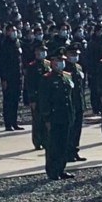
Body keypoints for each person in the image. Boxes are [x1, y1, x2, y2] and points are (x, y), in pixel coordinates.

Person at [38, 47, 76, 180]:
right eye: (58, 60)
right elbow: (44, 100)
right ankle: (52, 170)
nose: (61, 63)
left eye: (62, 60)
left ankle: (61, 168)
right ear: (52, 62)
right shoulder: (46, 78)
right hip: (54, 116)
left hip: (65, 115)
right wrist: (47, 118)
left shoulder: (67, 76)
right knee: (53, 145)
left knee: (64, 144)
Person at [25, 40, 50, 150]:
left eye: (44, 50)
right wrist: (32, 99)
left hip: (47, 97)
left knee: (46, 119)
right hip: (37, 96)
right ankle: (37, 141)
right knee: (37, 120)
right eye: (41, 50)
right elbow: (29, 84)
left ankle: (45, 140)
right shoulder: (32, 66)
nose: (43, 53)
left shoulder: (49, 64)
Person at [0, 24, 24, 131]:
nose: (14, 32)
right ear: (7, 32)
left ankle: (14, 122)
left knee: (15, 100)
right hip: (9, 77)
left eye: (15, 30)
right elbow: (2, 63)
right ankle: (8, 123)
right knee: (8, 100)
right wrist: (4, 79)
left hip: (18, 76)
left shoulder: (17, 43)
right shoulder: (4, 45)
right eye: (12, 30)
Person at [65, 42, 87, 162]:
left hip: (79, 102)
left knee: (77, 129)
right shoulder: (65, 69)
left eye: (76, 54)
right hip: (70, 103)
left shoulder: (78, 67)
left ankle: (75, 151)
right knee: (70, 129)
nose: (74, 56)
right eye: (72, 54)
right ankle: (68, 152)